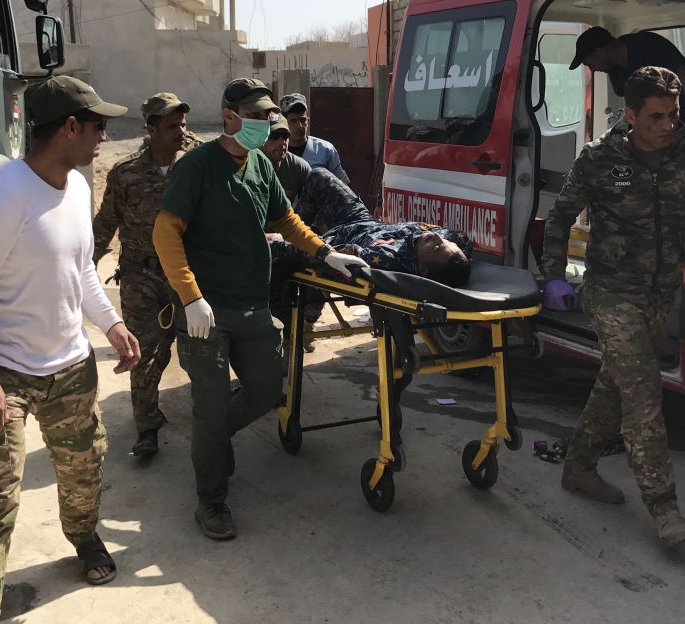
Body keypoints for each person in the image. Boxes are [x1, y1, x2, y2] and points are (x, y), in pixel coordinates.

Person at [0, 75, 141, 622]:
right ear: (69, 128)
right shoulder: (2, 196)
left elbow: (79, 270)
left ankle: (83, 538)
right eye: (98, 125)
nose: (104, 135)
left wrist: (111, 323)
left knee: (84, 472)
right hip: (5, 374)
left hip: (71, 367)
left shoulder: (78, 187)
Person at [540, 67, 685, 548]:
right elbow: (559, 216)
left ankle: (577, 467)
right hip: (611, 292)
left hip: (661, 292)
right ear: (630, 115)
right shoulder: (600, 159)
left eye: (674, 114)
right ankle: (665, 509)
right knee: (643, 394)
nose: (668, 125)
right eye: (657, 116)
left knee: (616, 387)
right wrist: (553, 275)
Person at [152, 78, 368, 540]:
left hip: (250, 304)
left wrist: (325, 252)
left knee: (269, 388)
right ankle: (211, 501)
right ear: (229, 116)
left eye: (266, 116)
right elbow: (165, 232)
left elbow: (285, 218)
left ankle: (214, 438)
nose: (264, 124)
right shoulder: (198, 167)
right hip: (205, 312)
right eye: (254, 116)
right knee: (210, 404)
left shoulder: (260, 167)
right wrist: (190, 296)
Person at [93, 92, 200, 458]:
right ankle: (147, 428)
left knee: (198, 347)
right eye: (172, 126)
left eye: (183, 125)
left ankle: (210, 418)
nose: (181, 132)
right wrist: (82, 268)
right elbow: (105, 224)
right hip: (142, 276)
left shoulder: (196, 167)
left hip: (186, 274)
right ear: (151, 129)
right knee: (144, 353)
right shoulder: (126, 174)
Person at [273, 168, 473, 286]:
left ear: (423, 270)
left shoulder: (385, 259)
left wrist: (278, 242)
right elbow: (462, 239)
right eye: (444, 242)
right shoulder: (445, 247)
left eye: (437, 247)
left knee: (282, 245)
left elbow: (332, 255)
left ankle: (288, 229)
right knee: (319, 176)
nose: (437, 238)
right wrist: (450, 248)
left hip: (342, 237)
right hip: (362, 221)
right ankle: (295, 223)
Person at [570, 26, 685, 120]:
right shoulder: (616, 70)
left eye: (590, 64)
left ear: (600, 53)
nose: (593, 70)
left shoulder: (650, 47)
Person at [278, 92, 351, 184]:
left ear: (308, 121)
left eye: (303, 120)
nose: (299, 126)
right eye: (293, 120)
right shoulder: (277, 150)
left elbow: (344, 185)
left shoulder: (325, 150)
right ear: (283, 122)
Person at [260, 113, 312, 202]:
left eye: (285, 136)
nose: (282, 142)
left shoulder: (299, 167)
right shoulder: (247, 163)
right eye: (274, 136)